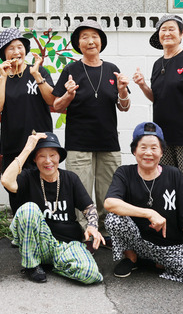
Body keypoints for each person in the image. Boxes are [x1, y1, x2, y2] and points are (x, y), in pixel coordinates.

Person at [133, 14, 183, 250]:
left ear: (181, 33)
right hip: (163, 139)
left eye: (171, 29)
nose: (166, 33)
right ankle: (174, 234)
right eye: (162, 30)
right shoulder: (158, 64)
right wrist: (142, 85)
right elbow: (156, 97)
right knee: (166, 185)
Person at [104, 122, 183, 285]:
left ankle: (154, 262)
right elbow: (110, 203)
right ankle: (132, 258)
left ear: (162, 151)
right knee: (113, 218)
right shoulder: (125, 173)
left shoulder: (174, 174)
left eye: (154, 148)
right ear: (134, 150)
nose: (148, 153)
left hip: (170, 247)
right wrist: (149, 213)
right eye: (143, 147)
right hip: (138, 242)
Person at [53, 20, 130, 234]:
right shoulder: (71, 69)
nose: (90, 41)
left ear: (101, 41)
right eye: (84, 37)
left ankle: (109, 231)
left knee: (110, 192)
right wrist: (69, 94)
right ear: (78, 43)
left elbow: (124, 107)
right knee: (82, 191)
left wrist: (123, 91)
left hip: (108, 142)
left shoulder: (112, 69)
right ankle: (86, 230)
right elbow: (57, 105)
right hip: (79, 143)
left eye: (94, 36)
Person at [1, 132, 104, 284]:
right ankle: (32, 265)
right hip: (39, 243)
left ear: (59, 158)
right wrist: (28, 148)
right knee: (28, 209)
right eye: (42, 156)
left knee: (91, 274)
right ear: (35, 159)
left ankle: (56, 263)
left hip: (66, 244)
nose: (48, 161)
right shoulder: (28, 177)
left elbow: (88, 207)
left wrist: (93, 226)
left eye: (52, 155)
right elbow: (6, 181)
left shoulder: (70, 178)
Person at [0, 27, 56, 212]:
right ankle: (20, 230)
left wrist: (37, 75)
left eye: (20, 46)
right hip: (14, 143)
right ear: (4, 53)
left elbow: (52, 100)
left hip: (41, 143)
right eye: (11, 48)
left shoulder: (39, 71)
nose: (16, 51)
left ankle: (45, 229)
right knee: (16, 189)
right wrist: (3, 78)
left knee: (43, 187)